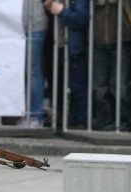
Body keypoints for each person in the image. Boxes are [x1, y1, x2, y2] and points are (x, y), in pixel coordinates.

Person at [92, 0, 131, 131]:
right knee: (100, 88)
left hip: (122, 35)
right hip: (96, 37)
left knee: (120, 87)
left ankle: (125, 123)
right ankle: (106, 124)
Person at [45, 0, 89, 129]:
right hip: (58, 47)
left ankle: (80, 120)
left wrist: (62, 11)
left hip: (73, 48)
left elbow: (82, 19)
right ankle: (64, 119)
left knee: (77, 85)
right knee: (59, 84)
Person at [23, 0, 49, 127]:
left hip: (35, 23)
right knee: (23, 71)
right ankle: (26, 113)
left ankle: (36, 116)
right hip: (15, 24)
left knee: (32, 69)